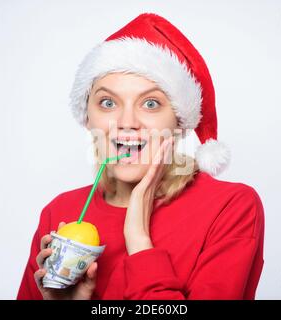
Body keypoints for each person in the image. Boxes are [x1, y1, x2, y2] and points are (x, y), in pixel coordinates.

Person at [17, 13, 265, 300]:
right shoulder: (59, 212)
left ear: (179, 123)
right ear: (88, 118)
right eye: (108, 102)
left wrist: (139, 240)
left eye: (150, 103)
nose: (126, 121)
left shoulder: (231, 208)